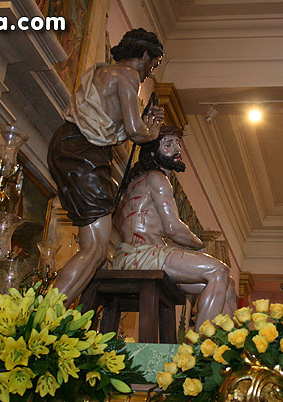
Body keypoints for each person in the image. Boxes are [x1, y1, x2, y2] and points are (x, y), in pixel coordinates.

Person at [47, 28, 165, 306]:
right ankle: (44, 319)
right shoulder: (128, 75)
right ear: (145, 55)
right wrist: (154, 128)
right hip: (85, 153)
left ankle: (64, 315)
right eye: (153, 64)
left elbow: (110, 124)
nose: (149, 72)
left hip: (68, 144)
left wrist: (140, 121)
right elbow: (136, 131)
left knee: (97, 250)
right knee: (97, 249)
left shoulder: (102, 72)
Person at [112, 127, 237, 329]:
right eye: (168, 145)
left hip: (137, 256)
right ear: (152, 152)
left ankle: (221, 349)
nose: (176, 148)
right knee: (219, 270)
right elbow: (173, 228)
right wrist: (199, 246)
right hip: (141, 256)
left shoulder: (140, 181)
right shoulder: (157, 178)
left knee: (228, 286)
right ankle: (199, 348)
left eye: (177, 143)